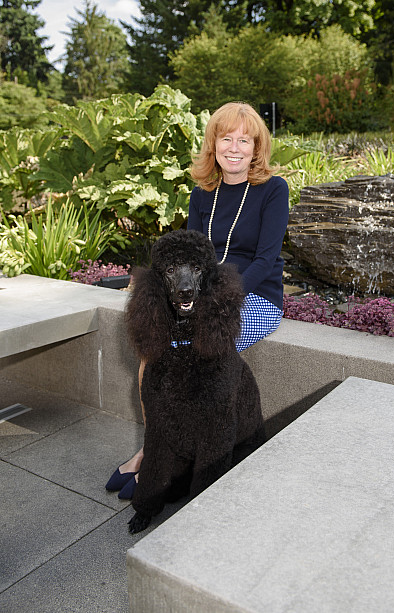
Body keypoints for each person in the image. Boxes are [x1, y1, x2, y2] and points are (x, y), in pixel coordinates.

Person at [106, 101, 289, 499]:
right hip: (199, 293)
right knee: (155, 348)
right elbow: (188, 256)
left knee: (199, 351)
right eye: (227, 138)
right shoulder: (201, 192)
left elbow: (266, 259)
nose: (236, 147)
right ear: (214, 144)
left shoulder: (273, 190)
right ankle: (155, 450)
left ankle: (180, 459)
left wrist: (219, 296)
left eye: (245, 140)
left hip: (253, 295)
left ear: (257, 147)